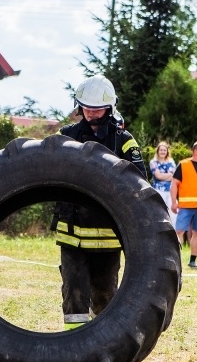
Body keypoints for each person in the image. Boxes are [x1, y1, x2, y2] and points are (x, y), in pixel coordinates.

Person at [52, 74, 146, 329]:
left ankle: (101, 341)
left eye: (97, 108)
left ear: (109, 108)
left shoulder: (123, 140)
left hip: (107, 232)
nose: (91, 113)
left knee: (105, 294)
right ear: (79, 106)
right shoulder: (66, 135)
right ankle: (73, 342)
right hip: (72, 232)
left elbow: (139, 180)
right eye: (87, 107)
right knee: (74, 292)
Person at [149, 142, 177, 224]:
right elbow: (158, 176)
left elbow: (174, 176)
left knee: (174, 213)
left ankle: (174, 234)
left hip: (171, 191)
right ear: (157, 151)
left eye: (164, 150)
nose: (162, 152)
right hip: (159, 190)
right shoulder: (153, 162)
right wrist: (169, 175)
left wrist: (163, 176)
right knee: (159, 212)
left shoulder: (171, 161)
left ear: (167, 151)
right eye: (161, 150)